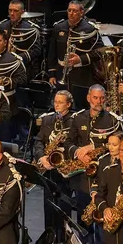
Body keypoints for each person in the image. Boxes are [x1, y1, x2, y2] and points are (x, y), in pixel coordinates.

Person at [66, 85, 123, 244]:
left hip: (104, 177)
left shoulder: (113, 120)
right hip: (82, 178)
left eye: (102, 98)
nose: (99, 101)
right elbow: (69, 142)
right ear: (88, 98)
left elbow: (121, 145)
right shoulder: (78, 118)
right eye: (95, 98)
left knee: (101, 221)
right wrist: (77, 152)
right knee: (84, 219)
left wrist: (95, 147)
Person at [32, 90, 76, 235]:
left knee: (63, 204)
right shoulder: (47, 119)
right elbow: (39, 141)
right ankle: (50, 236)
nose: (56, 105)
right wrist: (41, 157)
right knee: (48, 203)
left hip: (65, 169)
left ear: (69, 104)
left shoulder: (75, 120)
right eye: (55, 101)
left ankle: (63, 237)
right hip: (48, 167)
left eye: (60, 102)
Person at [47, 0, 102, 88]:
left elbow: (99, 52)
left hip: (82, 74)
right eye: (69, 10)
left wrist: (80, 59)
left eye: (75, 11)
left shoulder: (90, 29)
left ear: (81, 12)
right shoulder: (59, 27)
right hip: (60, 73)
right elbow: (52, 52)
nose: (71, 13)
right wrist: (52, 74)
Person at [0, 0, 44, 75]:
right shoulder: (2, 26)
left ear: (22, 12)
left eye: (15, 11)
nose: (12, 13)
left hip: (22, 65)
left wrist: (17, 58)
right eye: (10, 10)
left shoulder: (30, 29)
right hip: (4, 64)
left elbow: (36, 51)